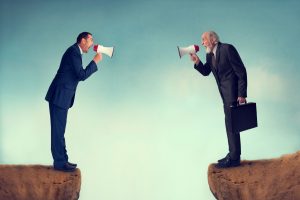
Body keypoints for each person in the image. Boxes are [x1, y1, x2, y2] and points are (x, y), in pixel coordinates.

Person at [45, 32, 102, 172]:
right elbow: (81, 75)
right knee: (58, 131)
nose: (92, 43)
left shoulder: (75, 52)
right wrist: (95, 62)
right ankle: (60, 163)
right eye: (90, 40)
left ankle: (62, 160)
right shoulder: (74, 52)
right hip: (59, 96)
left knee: (60, 130)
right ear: (83, 40)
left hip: (61, 96)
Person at [190, 31, 248, 168]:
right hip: (224, 95)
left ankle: (234, 158)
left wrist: (242, 94)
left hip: (234, 94)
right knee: (230, 124)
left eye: (204, 39)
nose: (202, 43)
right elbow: (206, 72)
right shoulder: (209, 55)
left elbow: (241, 71)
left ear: (213, 39)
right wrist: (197, 62)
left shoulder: (227, 49)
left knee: (231, 124)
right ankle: (233, 155)